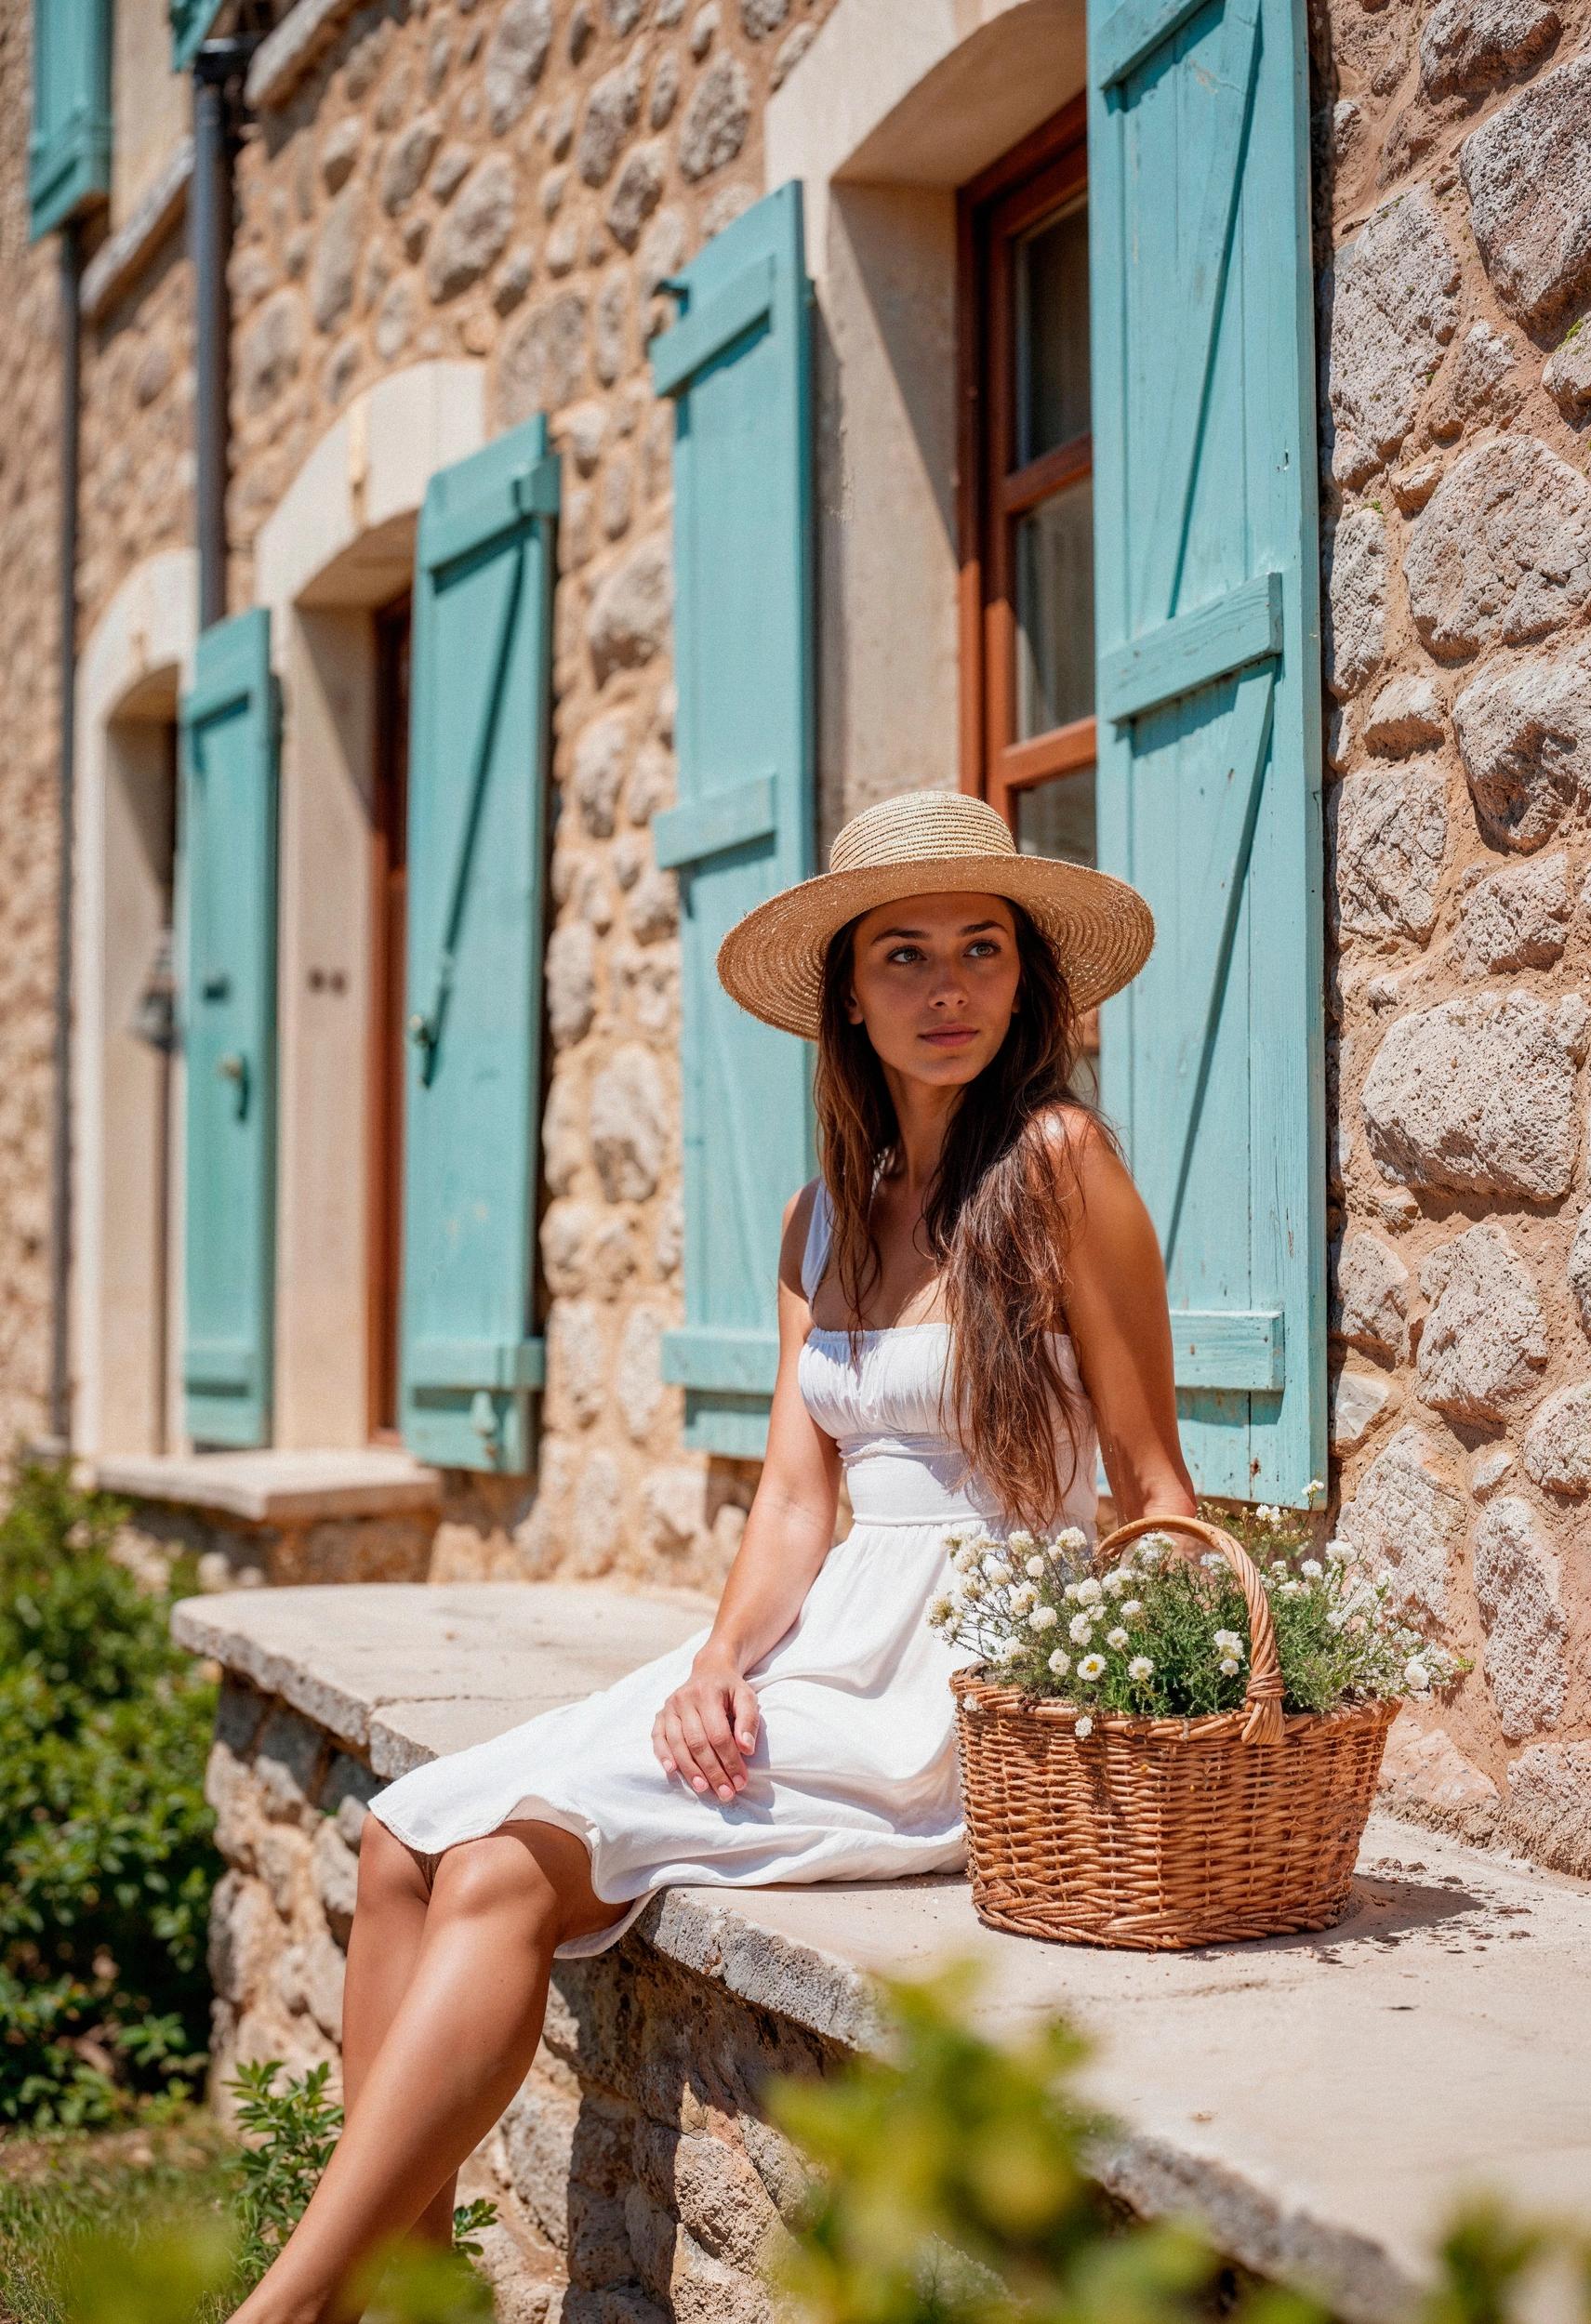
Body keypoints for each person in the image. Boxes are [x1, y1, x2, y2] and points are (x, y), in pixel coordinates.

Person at [230, 789, 1197, 2324]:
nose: (945, 990)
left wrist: (1148, 1701)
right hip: (819, 1648)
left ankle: (285, 2312)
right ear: (848, 997)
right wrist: (716, 1662)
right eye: (902, 957)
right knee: (399, 1840)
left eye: (979, 951)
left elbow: (1154, 1485)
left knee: (499, 1874)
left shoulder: (1062, 1165)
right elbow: (796, 1508)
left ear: (1024, 980)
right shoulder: (826, 1219)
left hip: (960, 1682)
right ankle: (394, 2293)